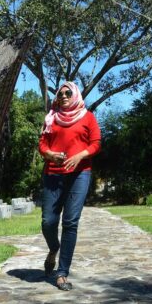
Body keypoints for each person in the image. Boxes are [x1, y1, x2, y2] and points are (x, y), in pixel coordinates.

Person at [38, 81, 101, 290]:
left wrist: (80, 156)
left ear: (75, 95)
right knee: (48, 221)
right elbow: (42, 144)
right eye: (60, 93)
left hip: (80, 175)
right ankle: (53, 248)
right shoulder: (51, 117)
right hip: (52, 175)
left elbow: (96, 143)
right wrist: (49, 154)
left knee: (70, 222)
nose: (63, 96)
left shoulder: (88, 117)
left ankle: (62, 273)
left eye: (67, 93)